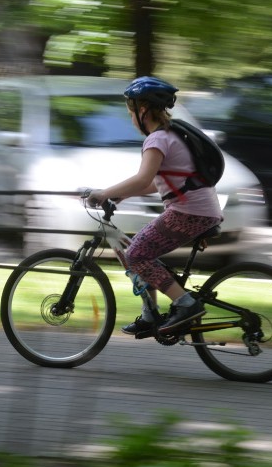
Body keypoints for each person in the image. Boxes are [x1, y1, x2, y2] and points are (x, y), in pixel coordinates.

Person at [88, 76, 223, 336]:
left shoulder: (157, 139)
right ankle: (151, 314)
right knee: (141, 249)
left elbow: (143, 178)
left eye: (131, 112)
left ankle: (186, 304)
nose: (131, 118)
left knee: (136, 254)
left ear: (142, 110)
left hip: (189, 212)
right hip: (199, 210)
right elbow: (162, 182)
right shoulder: (170, 135)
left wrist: (104, 193)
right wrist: (121, 195)